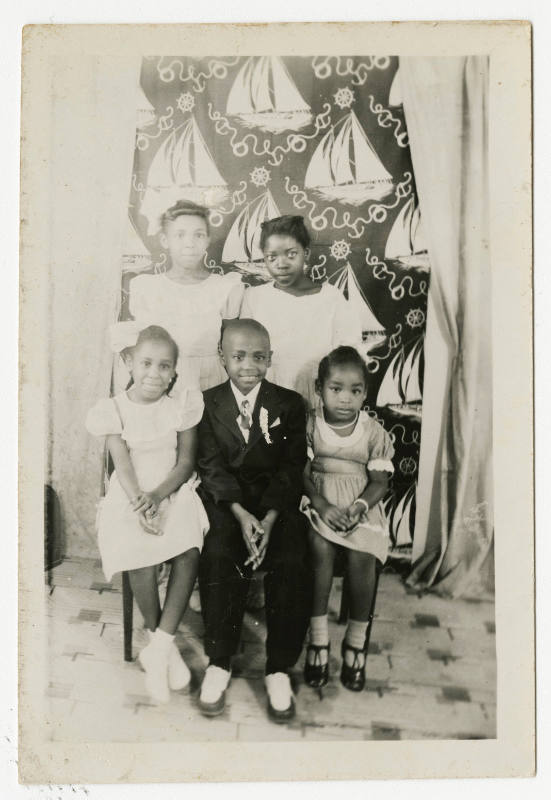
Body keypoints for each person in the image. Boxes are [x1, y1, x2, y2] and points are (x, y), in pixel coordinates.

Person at [85, 323, 208, 704]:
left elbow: (185, 463)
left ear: (175, 370)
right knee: (139, 554)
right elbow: (121, 466)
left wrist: (159, 496)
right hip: (131, 492)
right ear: (129, 362)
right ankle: (162, 648)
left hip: (171, 488)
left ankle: (158, 646)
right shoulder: (113, 409)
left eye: (165, 366)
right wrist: (141, 500)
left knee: (189, 549)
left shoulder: (181, 407)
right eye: (147, 363)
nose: (155, 374)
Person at [196, 319, 311, 722]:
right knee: (217, 553)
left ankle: (279, 667)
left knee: (295, 557)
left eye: (258, 357)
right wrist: (241, 514)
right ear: (222, 357)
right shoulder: (206, 403)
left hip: (275, 507)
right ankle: (219, 661)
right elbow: (210, 467)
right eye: (239, 356)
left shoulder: (290, 404)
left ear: (270, 359)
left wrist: (272, 516)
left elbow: (293, 466)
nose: (249, 365)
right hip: (229, 506)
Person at [301, 346, 394, 692]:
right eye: (335, 389)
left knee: (363, 553)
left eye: (355, 391)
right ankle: (319, 638)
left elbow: (379, 483)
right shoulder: (311, 425)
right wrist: (322, 505)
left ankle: (356, 641)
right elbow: (303, 474)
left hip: (359, 504)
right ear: (319, 389)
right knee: (319, 546)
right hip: (320, 500)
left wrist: (358, 507)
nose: (345, 399)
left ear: (365, 394)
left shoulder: (373, 432)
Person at [240, 215, 362, 409]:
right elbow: (245, 355)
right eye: (272, 257)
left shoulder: (331, 297)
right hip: (269, 401)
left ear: (306, 252)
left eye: (291, 254)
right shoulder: (254, 297)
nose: (281, 264)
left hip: (318, 400)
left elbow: (349, 354)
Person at [129, 201, 245, 392]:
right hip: (161, 381)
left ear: (207, 240)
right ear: (165, 240)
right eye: (180, 235)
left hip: (210, 381)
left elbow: (231, 346)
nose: (189, 244)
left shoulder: (225, 287)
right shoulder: (146, 287)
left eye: (198, 235)